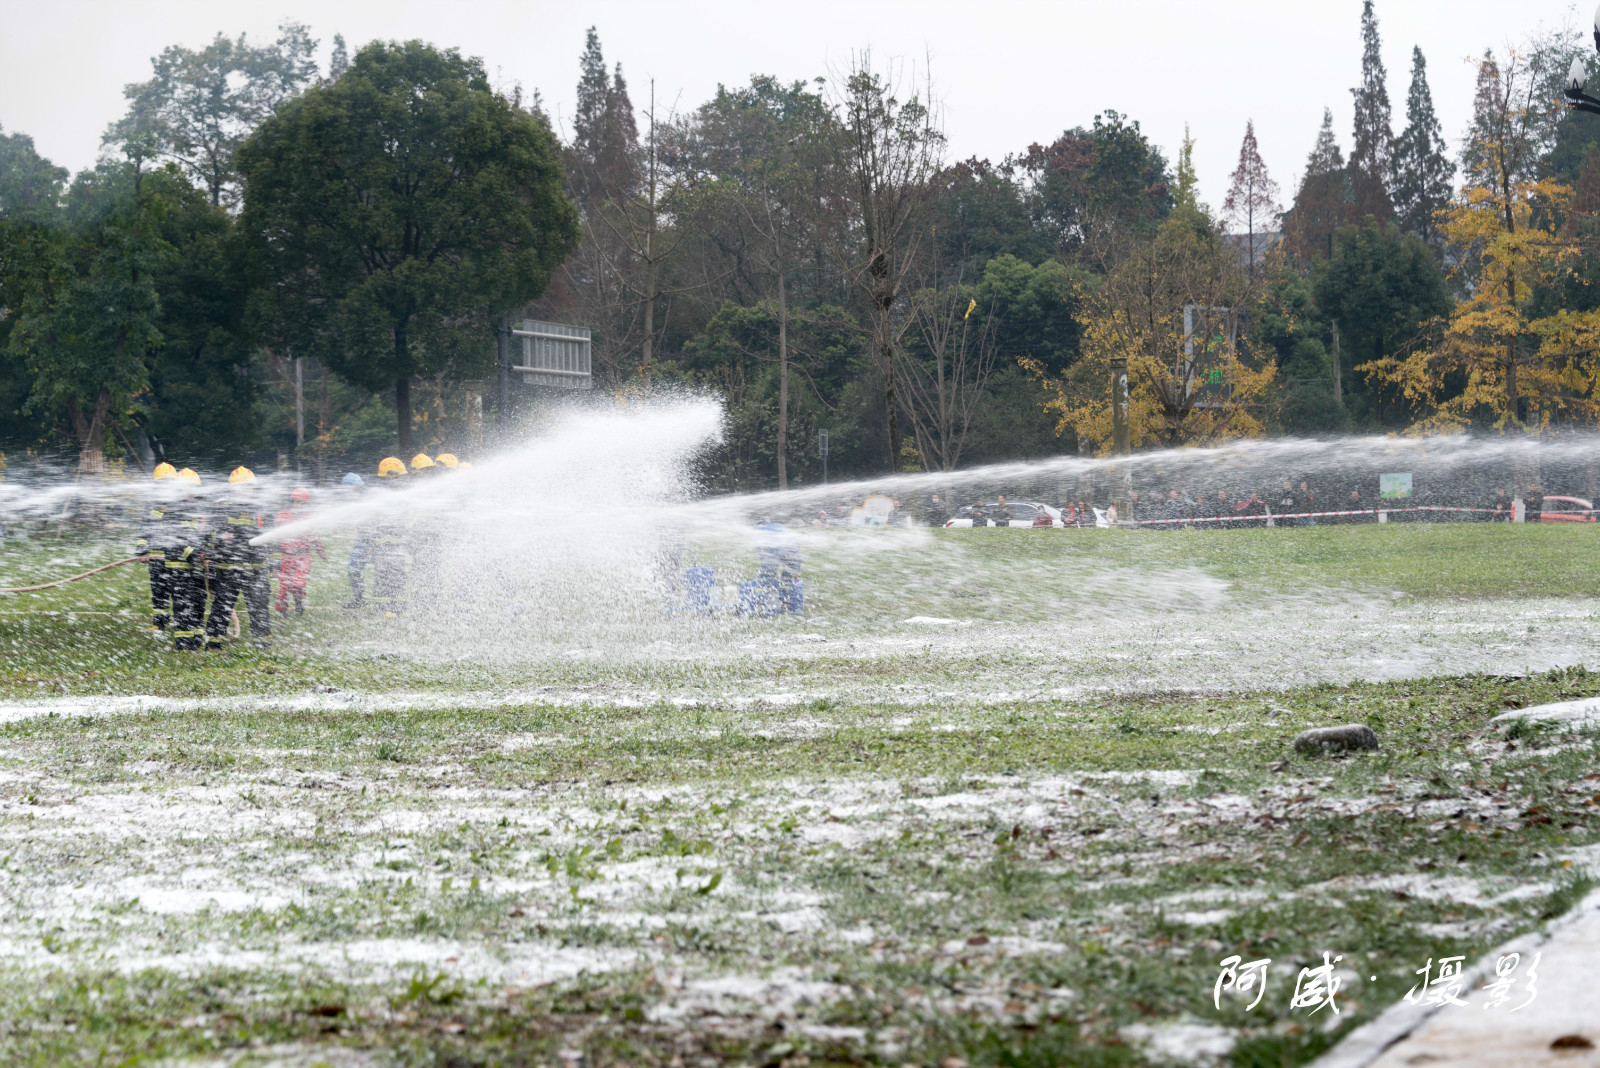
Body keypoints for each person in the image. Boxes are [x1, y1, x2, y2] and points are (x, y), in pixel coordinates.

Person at [205, 466, 272, 649]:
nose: (245, 490)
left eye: (249, 487)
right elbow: (209, 533)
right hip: (227, 569)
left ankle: (263, 644)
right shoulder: (221, 507)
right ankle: (214, 643)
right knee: (222, 606)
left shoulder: (262, 507)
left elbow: (273, 535)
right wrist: (221, 537)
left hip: (255, 569)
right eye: (241, 487)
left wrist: (275, 562)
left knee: (259, 607)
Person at [158, 468, 208, 651]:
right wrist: (193, 554)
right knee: (183, 602)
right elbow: (175, 538)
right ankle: (183, 642)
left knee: (199, 601)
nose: (190, 492)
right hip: (179, 566)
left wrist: (207, 551)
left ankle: (196, 638)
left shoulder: (199, 510)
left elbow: (203, 535)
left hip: (196, 566)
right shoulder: (172, 510)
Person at [135, 463, 179, 632]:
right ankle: (160, 624)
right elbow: (145, 528)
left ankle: (181, 622)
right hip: (156, 557)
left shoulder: (180, 503)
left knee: (178, 591)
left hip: (176, 557)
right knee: (159, 591)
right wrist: (142, 549)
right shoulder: (152, 504)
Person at [274, 488, 327, 616]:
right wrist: (274, 560)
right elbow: (275, 538)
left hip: (304, 556)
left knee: (297, 583)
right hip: (287, 556)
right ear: (292, 502)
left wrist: (321, 554)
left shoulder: (310, 518)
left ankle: (298, 602)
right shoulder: (282, 516)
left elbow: (316, 538)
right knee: (285, 585)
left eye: (301, 503)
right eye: (296, 502)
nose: (298, 505)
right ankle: (282, 610)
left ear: (306, 504)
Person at [370, 457, 410, 615]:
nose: (401, 480)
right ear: (391, 476)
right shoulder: (379, 496)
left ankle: (397, 606)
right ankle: (382, 607)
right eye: (399, 477)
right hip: (383, 546)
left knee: (398, 576)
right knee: (384, 576)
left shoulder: (404, 495)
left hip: (397, 546)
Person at [341, 473, 371, 608]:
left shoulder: (367, 501)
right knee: (353, 568)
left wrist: (371, 544)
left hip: (371, 541)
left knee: (383, 571)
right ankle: (359, 599)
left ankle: (387, 600)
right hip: (363, 539)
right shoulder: (356, 501)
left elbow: (373, 525)